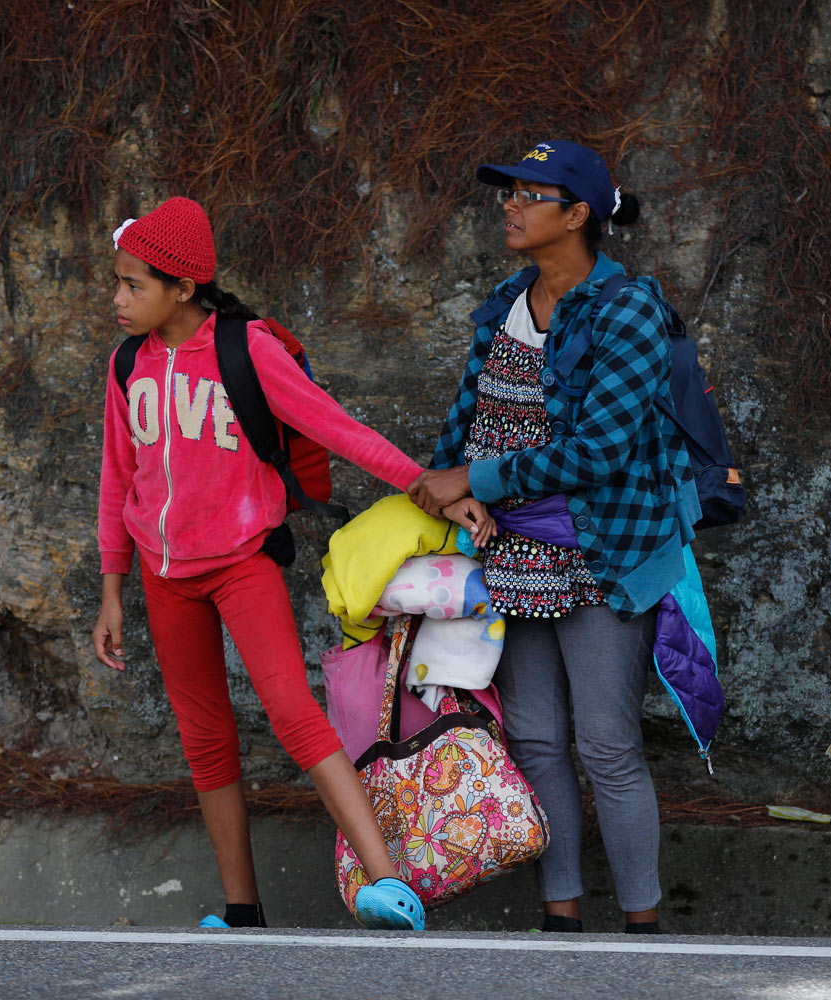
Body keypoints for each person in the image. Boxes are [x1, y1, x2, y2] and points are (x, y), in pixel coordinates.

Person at [91, 196, 479, 931]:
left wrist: (427, 492)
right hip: (161, 574)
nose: (117, 298)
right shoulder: (125, 365)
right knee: (204, 737)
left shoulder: (246, 350)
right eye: (116, 282)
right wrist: (113, 591)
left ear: (181, 288)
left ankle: (390, 884)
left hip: (241, 563)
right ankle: (242, 911)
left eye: (132, 285)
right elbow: (119, 478)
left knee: (293, 713)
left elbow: (340, 430)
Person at [408, 141, 694, 934]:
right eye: (512, 192)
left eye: (534, 194)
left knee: (607, 745)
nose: (513, 205)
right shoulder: (506, 300)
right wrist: (450, 485)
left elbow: (600, 451)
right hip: (511, 554)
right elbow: (465, 422)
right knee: (535, 739)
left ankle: (643, 926)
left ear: (578, 216)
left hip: (603, 552)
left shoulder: (629, 308)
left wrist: (475, 481)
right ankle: (559, 919)